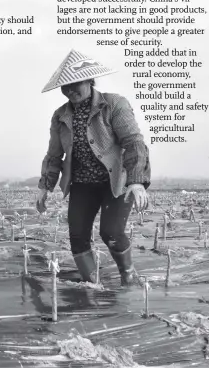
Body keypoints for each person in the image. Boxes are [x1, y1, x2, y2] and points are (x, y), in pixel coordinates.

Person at [36, 50, 151, 286]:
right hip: (82, 184)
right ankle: (92, 285)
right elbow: (54, 154)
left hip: (115, 181)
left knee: (110, 233)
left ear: (90, 80)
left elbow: (134, 142)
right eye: (64, 86)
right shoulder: (60, 116)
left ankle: (128, 276)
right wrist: (45, 186)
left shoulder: (114, 105)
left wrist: (137, 181)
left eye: (74, 84)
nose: (69, 90)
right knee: (77, 236)